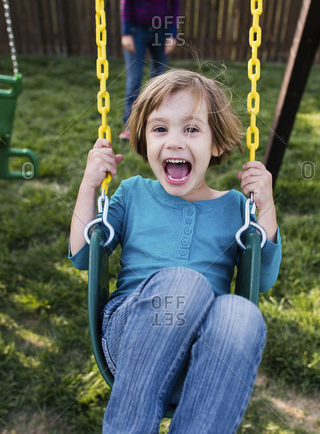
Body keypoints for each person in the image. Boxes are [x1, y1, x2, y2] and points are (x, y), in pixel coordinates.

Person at [69, 70, 282, 433]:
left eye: (192, 129)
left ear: (216, 144)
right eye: (160, 129)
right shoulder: (133, 193)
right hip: (131, 337)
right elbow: (82, 254)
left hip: (200, 357)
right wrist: (90, 186)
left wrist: (265, 207)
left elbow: (261, 281)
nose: (174, 142)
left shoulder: (235, 207)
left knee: (241, 316)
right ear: (143, 139)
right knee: (185, 285)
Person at [119, 0, 181, 140]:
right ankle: (130, 127)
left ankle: (159, 125)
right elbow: (126, 4)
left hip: (162, 30)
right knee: (134, 80)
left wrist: (172, 34)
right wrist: (126, 32)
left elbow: (175, 6)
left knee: (160, 81)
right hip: (136, 31)